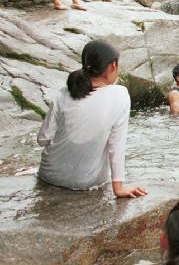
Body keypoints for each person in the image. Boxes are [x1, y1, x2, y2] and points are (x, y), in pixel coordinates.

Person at [37, 40, 147, 198]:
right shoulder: (120, 94)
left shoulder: (63, 93)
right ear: (112, 66)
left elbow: (42, 139)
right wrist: (119, 188)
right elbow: (116, 145)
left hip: (49, 175)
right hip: (87, 182)